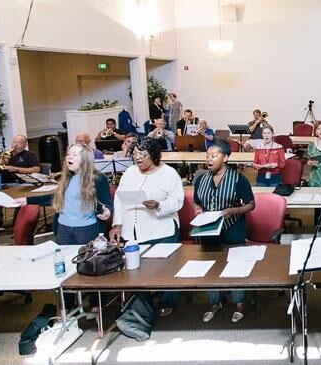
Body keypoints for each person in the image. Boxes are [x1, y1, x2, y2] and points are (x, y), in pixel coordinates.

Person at [109, 138, 185, 316]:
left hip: (161, 228)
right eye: (135, 154)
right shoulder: (129, 173)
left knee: (167, 267)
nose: (138, 158)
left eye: (143, 154)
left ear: (154, 155)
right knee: (136, 267)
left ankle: (168, 301)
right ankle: (142, 304)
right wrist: (117, 224)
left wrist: (159, 205)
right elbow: (119, 199)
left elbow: (178, 201)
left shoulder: (169, 173)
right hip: (133, 228)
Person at [194, 142, 255, 323]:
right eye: (207, 156)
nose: (209, 159)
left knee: (236, 266)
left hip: (232, 228)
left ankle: (239, 303)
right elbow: (196, 201)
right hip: (208, 231)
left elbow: (251, 204)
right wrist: (197, 210)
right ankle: (215, 302)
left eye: (213, 156)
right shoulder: (200, 179)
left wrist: (233, 211)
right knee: (210, 265)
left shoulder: (238, 179)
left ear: (226, 158)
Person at [50, 144, 112, 244]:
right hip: (63, 229)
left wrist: (107, 211)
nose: (69, 157)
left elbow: (106, 203)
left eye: (75, 155)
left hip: (87, 229)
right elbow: (54, 198)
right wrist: (27, 200)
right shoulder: (66, 177)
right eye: (68, 154)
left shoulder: (98, 178)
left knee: (87, 259)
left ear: (85, 159)